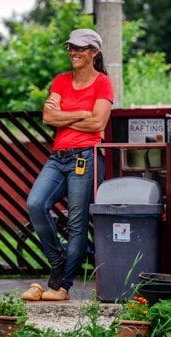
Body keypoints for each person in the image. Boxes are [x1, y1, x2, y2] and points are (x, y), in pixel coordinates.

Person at [21, 29, 114, 301]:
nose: (74, 52)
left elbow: (98, 123)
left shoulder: (103, 83)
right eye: (71, 48)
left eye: (80, 48)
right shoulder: (61, 80)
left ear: (94, 52)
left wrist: (65, 117)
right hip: (58, 156)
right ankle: (59, 259)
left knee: (76, 223)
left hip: (85, 157)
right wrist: (82, 113)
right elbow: (48, 117)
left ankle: (62, 286)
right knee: (35, 203)